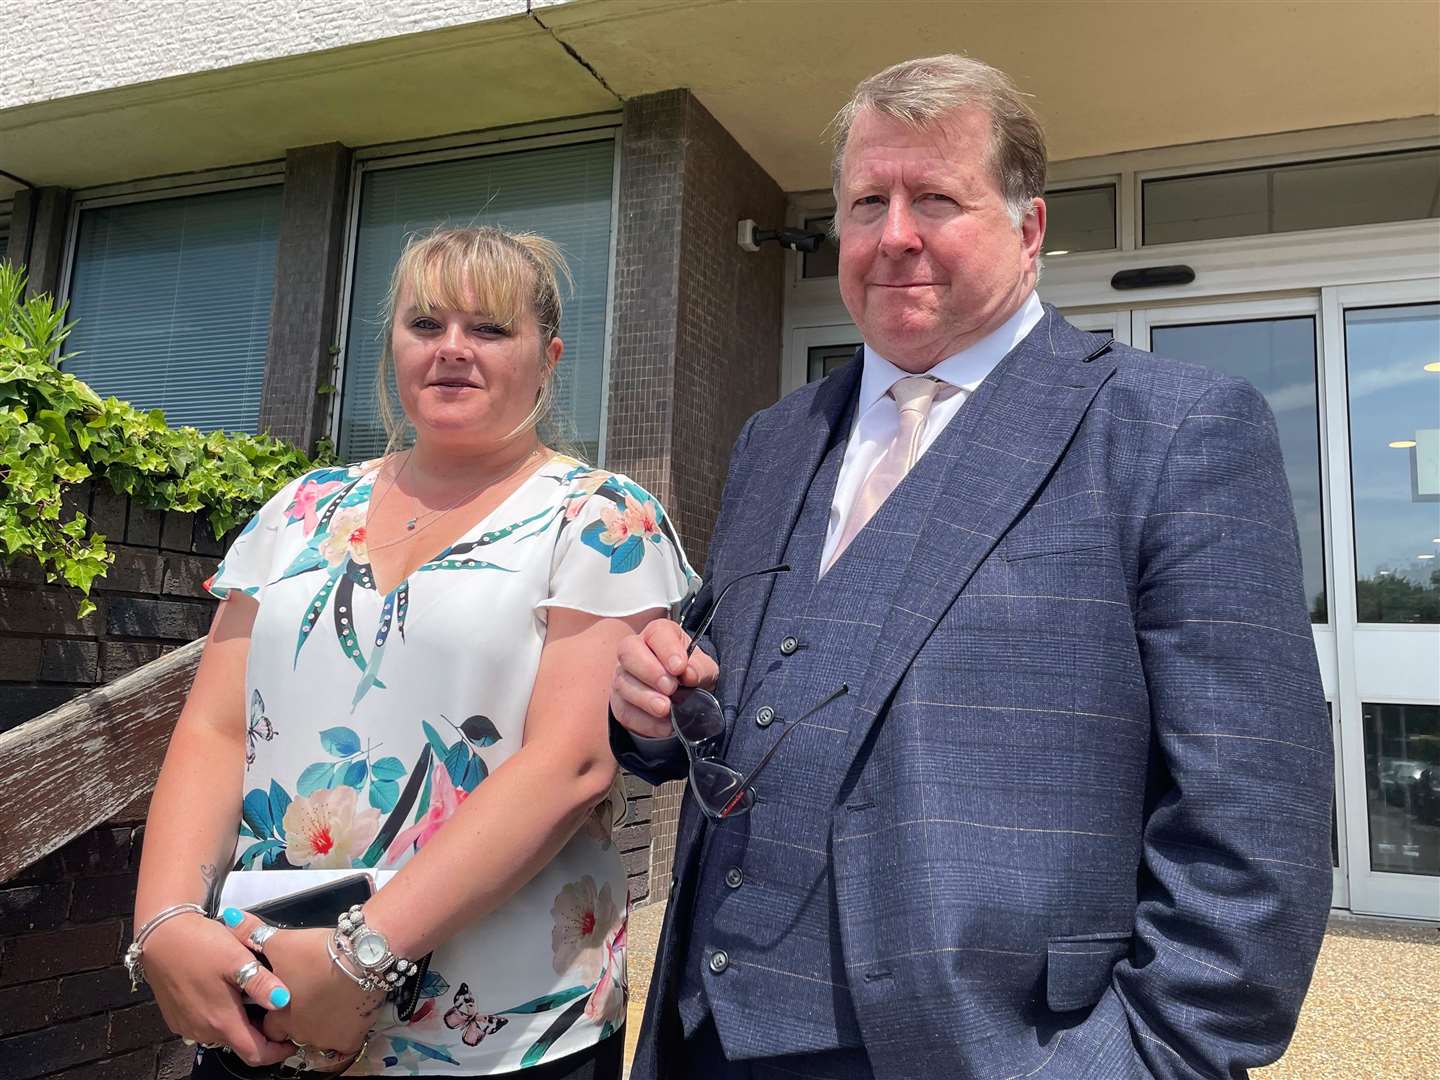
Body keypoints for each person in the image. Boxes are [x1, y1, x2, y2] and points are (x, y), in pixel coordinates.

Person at [609, 55, 1333, 1080]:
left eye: (936, 198)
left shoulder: (1171, 430)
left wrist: (1141, 1060)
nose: (894, 233)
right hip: (707, 1036)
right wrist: (650, 701)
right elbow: (742, 685)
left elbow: (1256, 822)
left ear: (1028, 228)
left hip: (990, 1049)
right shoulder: (776, 437)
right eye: (867, 201)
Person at [130, 225, 696, 1079]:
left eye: (491, 329)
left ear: (549, 357)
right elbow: (214, 728)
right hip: (272, 1000)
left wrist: (358, 959)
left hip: (498, 1029)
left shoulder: (601, 517)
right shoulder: (302, 507)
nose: (453, 351)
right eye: (425, 325)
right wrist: (165, 921)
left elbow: (572, 763)